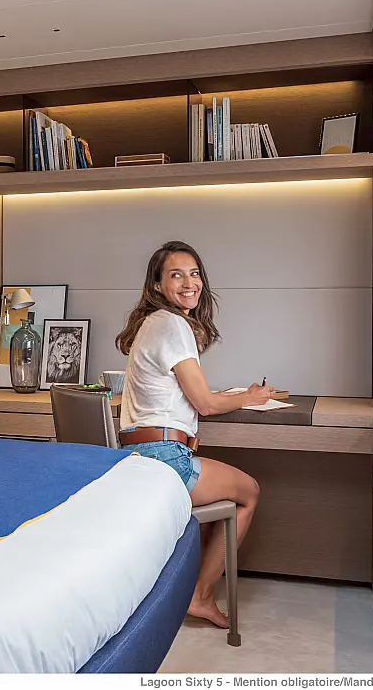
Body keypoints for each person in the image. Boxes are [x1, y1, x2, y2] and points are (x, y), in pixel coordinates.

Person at [115, 240, 273, 628]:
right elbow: (205, 404)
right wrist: (250, 397)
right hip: (165, 458)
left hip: (138, 456)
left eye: (194, 273)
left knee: (221, 494)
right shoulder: (173, 324)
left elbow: (187, 395)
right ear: (157, 285)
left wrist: (232, 397)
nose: (190, 283)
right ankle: (200, 597)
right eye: (176, 275)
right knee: (249, 492)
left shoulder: (152, 324)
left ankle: (189, 589)